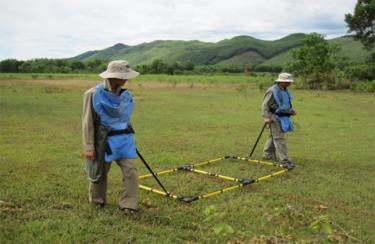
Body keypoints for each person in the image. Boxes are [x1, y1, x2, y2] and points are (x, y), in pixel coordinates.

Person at [82, 60, 140, 213]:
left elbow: (124, 119)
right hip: (104, 141)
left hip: (124, 140)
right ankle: (97, 201)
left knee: (131, 171)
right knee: (100, 171)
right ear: (113, 77)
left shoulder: (126, 95)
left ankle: (129, 204)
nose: (126, 79)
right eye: (123, 76)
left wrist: (129, 137)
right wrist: (89, 147)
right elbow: (87, 122)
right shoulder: (92, 94)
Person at [262, 72, 296, 167]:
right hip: (273, 116)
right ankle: (284, 160)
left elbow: (284, 103)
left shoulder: (285, 90)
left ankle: (267, 154)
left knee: (273, 135)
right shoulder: (272, 91)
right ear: (281, 81)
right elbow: (265, 105)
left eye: (289, 82)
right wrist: (266, 117)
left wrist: (290, 111)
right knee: (279, 137)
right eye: (287, 82)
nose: (289, 83)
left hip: (282, 115)